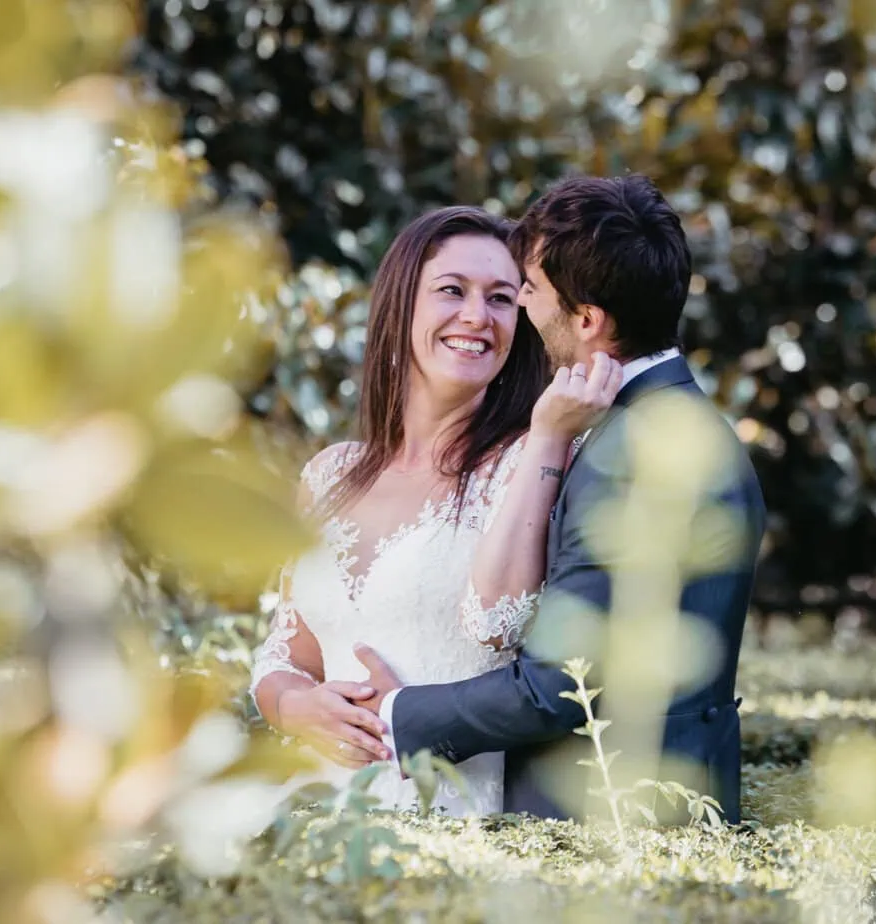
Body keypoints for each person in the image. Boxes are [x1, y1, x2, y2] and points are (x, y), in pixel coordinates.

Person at [354, 174, 768, 824]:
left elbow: (563, 686)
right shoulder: (664, 425)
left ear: (587, 320)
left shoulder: (632, 451)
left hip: (616, 823)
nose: (520, 304)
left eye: (530, 289)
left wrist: (397, 712)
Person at [248, 205, 621, 815]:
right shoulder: (330, 473)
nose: (477, 316)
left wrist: (549, 438)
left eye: (502, 299)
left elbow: (501, 621)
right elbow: (286, 654)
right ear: (402, 306)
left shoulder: (532, 459)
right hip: (316, 814)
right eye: (452, 290)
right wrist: (294, 707)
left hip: (448, 820)